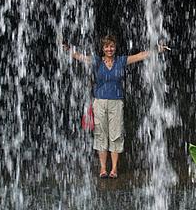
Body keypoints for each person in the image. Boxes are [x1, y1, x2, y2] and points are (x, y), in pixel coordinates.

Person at [63, 35, 168, 179]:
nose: (109, 49)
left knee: (115, 135)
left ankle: (114, 169)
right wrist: (67, 49)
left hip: (116, 102)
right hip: (99, 102)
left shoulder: (121, 61)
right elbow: (79, 56)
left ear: (115, 47)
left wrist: (157, 50)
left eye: (112, 46)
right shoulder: (97, 61)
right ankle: (103, 168)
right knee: (100, 134)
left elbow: (140, 56)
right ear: (103, 48)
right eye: (106, 46)